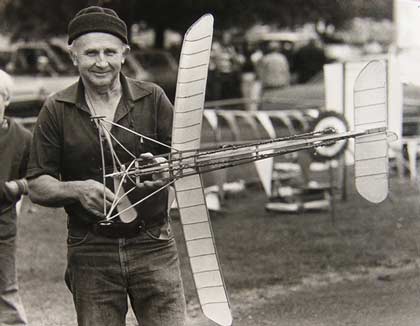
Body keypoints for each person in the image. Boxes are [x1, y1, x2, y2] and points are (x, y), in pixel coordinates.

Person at [27, 6, 185, 326]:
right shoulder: (56, 109)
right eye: (91, 53)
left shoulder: (152, 97)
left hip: (153, 243)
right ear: (74, 57)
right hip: (91, 248)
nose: (101, 62)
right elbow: (36, 184)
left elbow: (183, 159)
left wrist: (163, 168)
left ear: (124, 54)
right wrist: (76, 190)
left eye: (110, 52)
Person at [0, 69, 30, 326]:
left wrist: (18, 186)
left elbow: (40, 178)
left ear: (6, 99)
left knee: (6, 290)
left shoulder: (22, 138)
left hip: (3, 225)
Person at [255, 41, 290, 110]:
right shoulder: (282, 58)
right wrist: (287, 81)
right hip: (281, 82)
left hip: (269, 82)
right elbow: (286, 71)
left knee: (266, 100)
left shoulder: (265, 59)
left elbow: (260, 73)